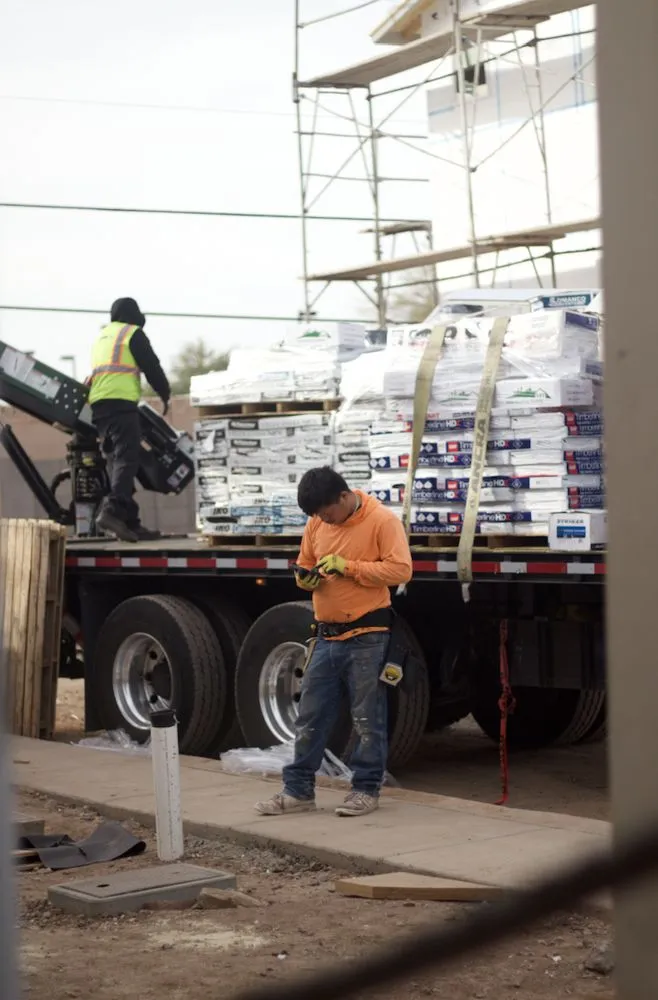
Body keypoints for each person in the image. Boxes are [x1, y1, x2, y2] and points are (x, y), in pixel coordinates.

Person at [255, 466, 413, 819]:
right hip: (326, 636)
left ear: (344, 497)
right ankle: (298, 791)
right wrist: (306, 580)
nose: (326, 520)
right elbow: (304, 564)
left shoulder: (382, 521)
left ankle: (365, 789)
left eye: (328, 513)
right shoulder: (317, 523)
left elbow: (401, 570)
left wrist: (350, 567)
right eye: (319, 516)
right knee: (310, 715)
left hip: (368, 636)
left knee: (367, 717)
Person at [88, 297, 171, 542]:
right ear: (132, 314)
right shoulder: (131, 334)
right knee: (127, 459)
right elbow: (151, 365)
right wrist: (164, 393)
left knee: (117, 465)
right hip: (120, 403)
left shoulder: (103, 336)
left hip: (99, 406)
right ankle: (112, 511)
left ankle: (129, 522)